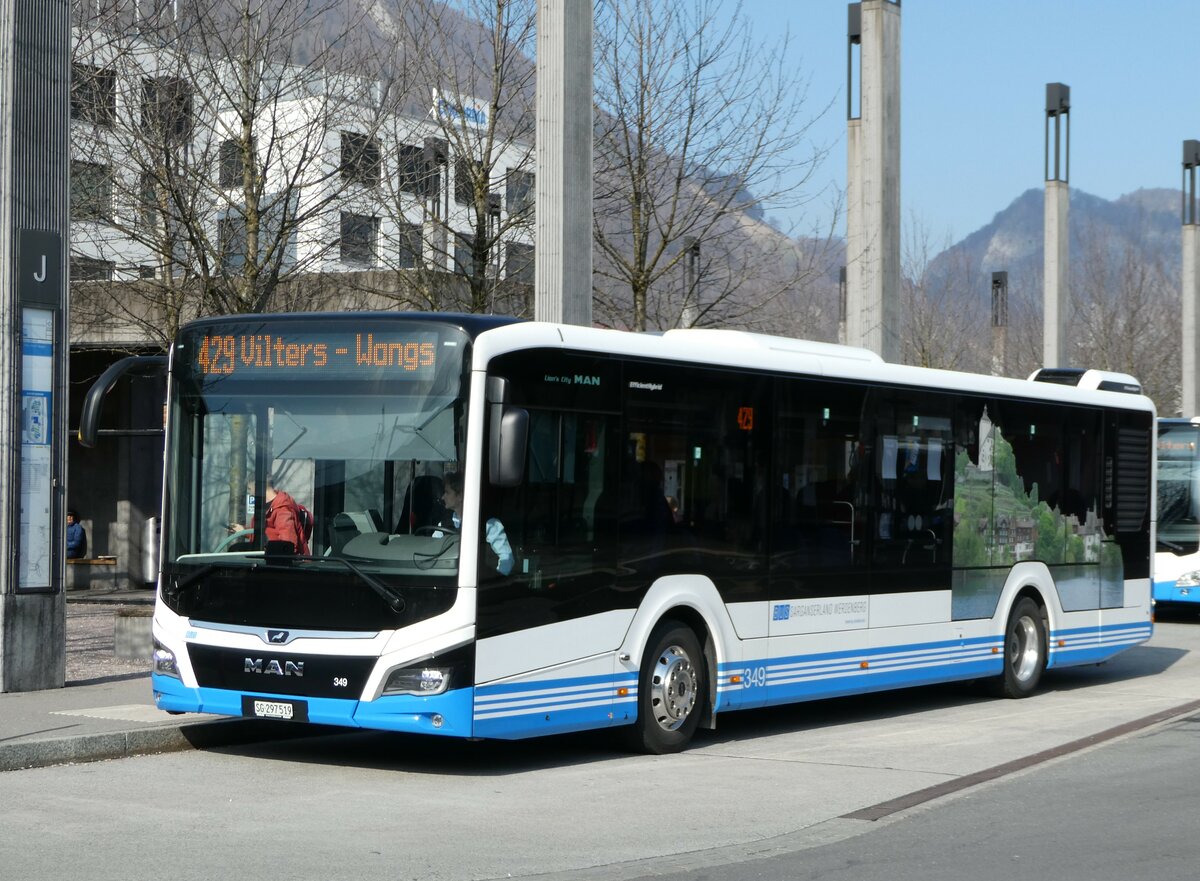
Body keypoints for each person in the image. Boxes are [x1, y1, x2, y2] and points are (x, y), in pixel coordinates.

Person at [438, 471, 514, 576]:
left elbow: (507, 558)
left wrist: (495, 581)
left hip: (478, 584)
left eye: (447, 492)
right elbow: (433, 554)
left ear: (460, 496)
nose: (443, 497)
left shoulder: (489, 524)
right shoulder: (442, 524)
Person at [230, 476, 310, 555]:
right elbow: (268, 534)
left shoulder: (282, 510)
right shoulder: (266, 506)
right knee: (235, 549)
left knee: (235, 549)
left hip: (278, 560)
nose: (250, 494)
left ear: (258, 487)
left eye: (250, 489)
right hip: (268, 555)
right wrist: (243, 531)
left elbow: (288, 546)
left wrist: (267, 553)